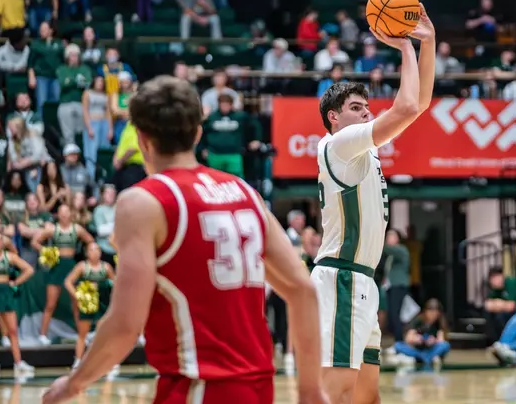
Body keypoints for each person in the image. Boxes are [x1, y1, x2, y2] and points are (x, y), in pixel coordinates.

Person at [42, 76, 327, 404]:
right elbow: (303, 291)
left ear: (142, 139)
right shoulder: (244, 192)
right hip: (258, 390)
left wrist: (74, 384)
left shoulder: (144, 202)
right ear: (198, 133)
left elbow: (125, 324)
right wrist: (311, 393)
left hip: (198, 388)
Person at [312, 3, 434, 404]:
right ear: (334, 117)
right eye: (355, 108)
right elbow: (408, 107)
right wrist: (404, 48)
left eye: (367, 108)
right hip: (341, 279)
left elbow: (421, 103)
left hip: (362, 280)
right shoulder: (339, 145)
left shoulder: (363, 152)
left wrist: (427, 43)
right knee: (335, 394)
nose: (366, 113)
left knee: (367, 397)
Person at [32, 203, 94, 345]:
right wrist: (46, 251)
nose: (64, 214)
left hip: (71, 267)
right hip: (56, 267)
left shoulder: (77, 229)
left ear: (71, 214)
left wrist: (88, 257)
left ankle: (82, 334)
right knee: (50, 304)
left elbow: (90, 241)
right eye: (61, 212)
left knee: (77, 303)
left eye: (67, 212)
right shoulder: (53, 229)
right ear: (58, 215)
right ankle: (42, 335)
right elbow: (35, 242)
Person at [64, 242, 115, 371]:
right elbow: (68, 282)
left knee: (103, 333)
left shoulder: (106, 267)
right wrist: (77, 296)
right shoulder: (82, 266)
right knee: (83, 333)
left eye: (97, 249)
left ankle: (106, 361)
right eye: (92, 250)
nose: (95, 252)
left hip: (103, 303)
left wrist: (107, 284)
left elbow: (115, 282)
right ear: (87, 253)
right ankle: (78, 360)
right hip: (87, 303)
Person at [0, 233, 35, 375]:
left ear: (3, 242)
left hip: (6, 293)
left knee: (12, 330)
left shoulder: (9, 257)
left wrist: (15, 282)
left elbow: (29, 270)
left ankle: (18, 362)